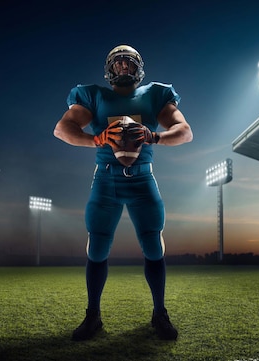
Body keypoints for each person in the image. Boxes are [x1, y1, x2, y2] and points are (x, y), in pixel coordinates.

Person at [53, 44, 193, 341]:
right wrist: (95, 140)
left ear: (139, 68)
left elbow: (185, 131)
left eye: (129, 64)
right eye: (118, 64)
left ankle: (160, 313)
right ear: (109, 68)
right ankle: (93, 316)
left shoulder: (155, 94)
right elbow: (62, 129)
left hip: (143, 180)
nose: (123, 68)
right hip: (106, 181)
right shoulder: (93, 95)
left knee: (154, 245)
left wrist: (155, 135)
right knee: (97, 248)